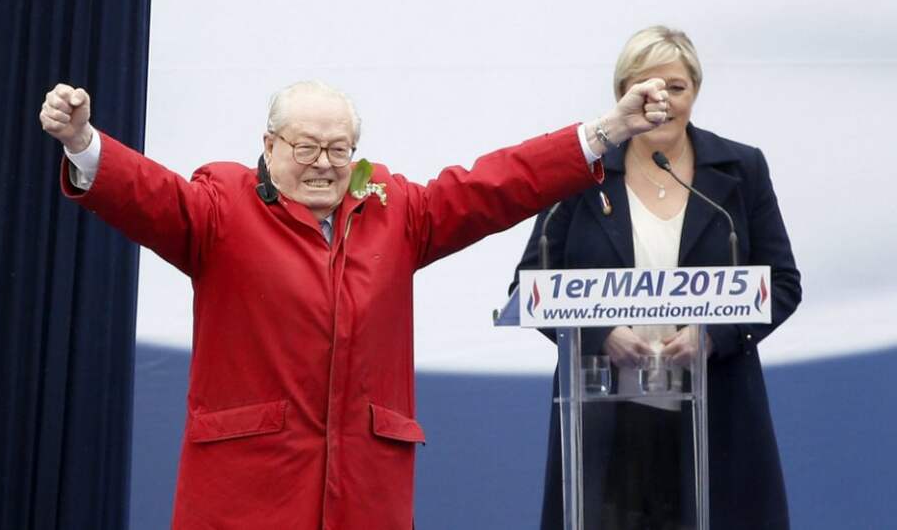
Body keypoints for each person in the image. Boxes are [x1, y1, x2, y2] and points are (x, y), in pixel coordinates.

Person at [39, 78, 670, 530]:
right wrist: (83, 141)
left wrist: (609, 130)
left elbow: (494, 185)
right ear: (269, 144)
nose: (323, 164)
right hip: (246, 496)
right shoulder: (221, 208)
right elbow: (147, 195)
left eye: (339, 149)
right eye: (305, 147)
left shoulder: (395, 212)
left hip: (364, 497)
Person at [512, 26, 802, 530]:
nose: (661, 101)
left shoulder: (740, 170)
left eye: (676, 87)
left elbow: (781, 284)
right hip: (602, 417)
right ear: (621, 95)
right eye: (645, 88)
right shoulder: (582, 173)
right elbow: (531, 285)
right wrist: (600, 333)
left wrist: (712, 337)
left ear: (696, 91)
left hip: (718, 412)